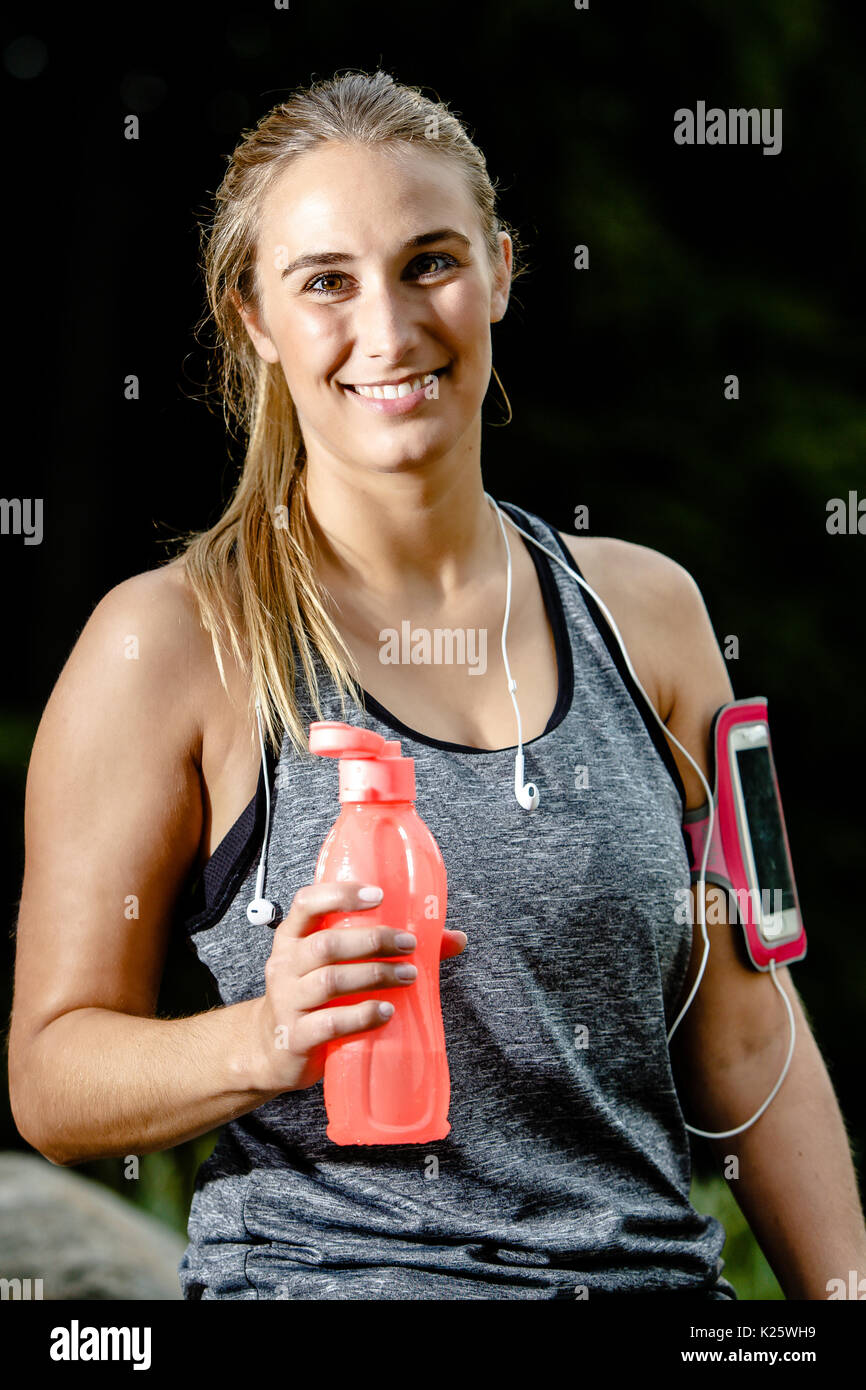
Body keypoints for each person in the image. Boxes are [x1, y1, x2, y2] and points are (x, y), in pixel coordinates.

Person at [9, 70, 866, 1301]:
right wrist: (266, 1038)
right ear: (252, 316)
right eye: (325, 282)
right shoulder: (171, 644)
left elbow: (742, 1029)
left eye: (429, 262)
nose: (391, 331)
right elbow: (51, 1077)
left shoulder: (652, 617)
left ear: (502, 270)